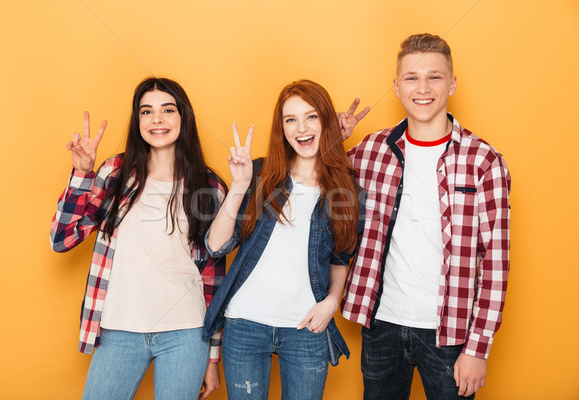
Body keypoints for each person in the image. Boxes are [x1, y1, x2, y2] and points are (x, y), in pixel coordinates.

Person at [339, 33, 511, 399]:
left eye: (434, 76)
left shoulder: (483, 161)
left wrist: (477, 348)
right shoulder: (370, 150)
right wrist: (333, 141)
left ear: (452, 83)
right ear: (397, 88)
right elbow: (315, 182)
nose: (423, 88)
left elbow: (495, 262)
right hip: (381, 323)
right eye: (412, 78)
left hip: (450, 333)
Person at [50, 77, 226, 399]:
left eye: (167, 110)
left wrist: (212, 358)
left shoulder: (210, 187)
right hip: (119, 328)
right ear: (138, 121)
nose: (156, 119)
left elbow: (213, 277)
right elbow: (62, 239)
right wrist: (82, 174)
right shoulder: (115, 173)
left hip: (186, 332)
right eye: (146, 112)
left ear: (183, 118)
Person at [202, 79, 365, 400]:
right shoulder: (260, 174)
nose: (301, 128)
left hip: (306, 329)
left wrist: (332, 302)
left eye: (312, 116)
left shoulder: (346, 187)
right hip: (245, 325)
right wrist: (238, 185)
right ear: (282, 128)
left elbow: (341, 257)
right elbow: (216, 245)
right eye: (291, 120)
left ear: (326, 122)